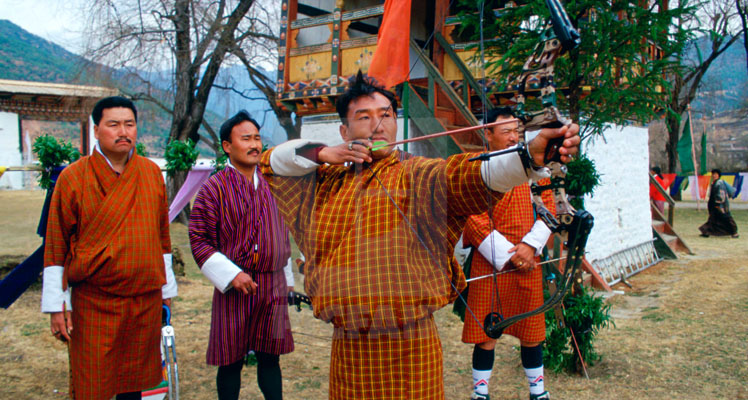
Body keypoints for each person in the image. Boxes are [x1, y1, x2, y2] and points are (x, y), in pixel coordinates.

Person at [257, 71, 581, 400]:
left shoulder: (419, 174)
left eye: (386, 115)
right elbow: (269, 163)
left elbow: (468, 175)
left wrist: (528, 157)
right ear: (344, 130)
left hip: (412, 344)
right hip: (349, 346)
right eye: (363, 117)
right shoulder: (323, 184)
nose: (377, 125)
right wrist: (322, 153)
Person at [42, 96, 178, 400]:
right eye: (113, 124)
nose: (123, 132)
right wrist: (56, 306)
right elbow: (56, 243)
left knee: (135, 383)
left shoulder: (151, 173)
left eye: (129, 124)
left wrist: (166, 289)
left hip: (144, 302)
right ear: (96, 129)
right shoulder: (73, 177)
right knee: (94, 383)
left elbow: (161, 237)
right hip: (94, 303)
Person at [188, 111, 295, 400]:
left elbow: (280, 237)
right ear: (227, 146)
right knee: (230, 360)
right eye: (245, 138)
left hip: (271, 285)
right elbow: (199, 239)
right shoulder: (214, 188)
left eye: (257, 138)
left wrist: (287, 282)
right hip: (235, 287)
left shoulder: (274, 184)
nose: (254, 145)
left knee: (271, 358)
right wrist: (231, 274)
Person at [458, 108, 555, 400]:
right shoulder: (477, 167)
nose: (514, 137)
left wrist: (529, 246)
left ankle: (537, 392)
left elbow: (548, 207)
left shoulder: (536, 167)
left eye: (517, 131)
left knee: (531, 330)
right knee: (486, 334)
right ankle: (480, 394)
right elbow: (472, 216)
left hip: (529, 260)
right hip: (491, 263)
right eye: (506, 132)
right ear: (488, 135)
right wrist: (507, 254)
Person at [699, 168, 739, 238]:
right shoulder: (714, 183)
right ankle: (706, 232)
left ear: (718, 175)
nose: (714, 176)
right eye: (713, 174)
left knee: (726, 218)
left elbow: (721, 195)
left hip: (720, 205)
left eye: (715, 174)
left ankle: (734, 232)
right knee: (712, 219)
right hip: (714, 204)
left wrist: (718, 204)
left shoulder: (719, 183)